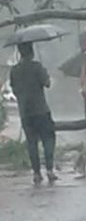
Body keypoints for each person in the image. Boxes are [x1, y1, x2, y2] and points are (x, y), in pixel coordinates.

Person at [9, 42, 57, 186]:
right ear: (32, 52)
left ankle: (36, 173)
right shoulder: (37, 67)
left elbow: (15, 90)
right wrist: (45, 74)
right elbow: (47, 83)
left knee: (32, 142)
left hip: (25, 112)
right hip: (41, 110)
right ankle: (49, 170)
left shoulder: (14, 70)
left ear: (20, 52)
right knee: (48, 138)